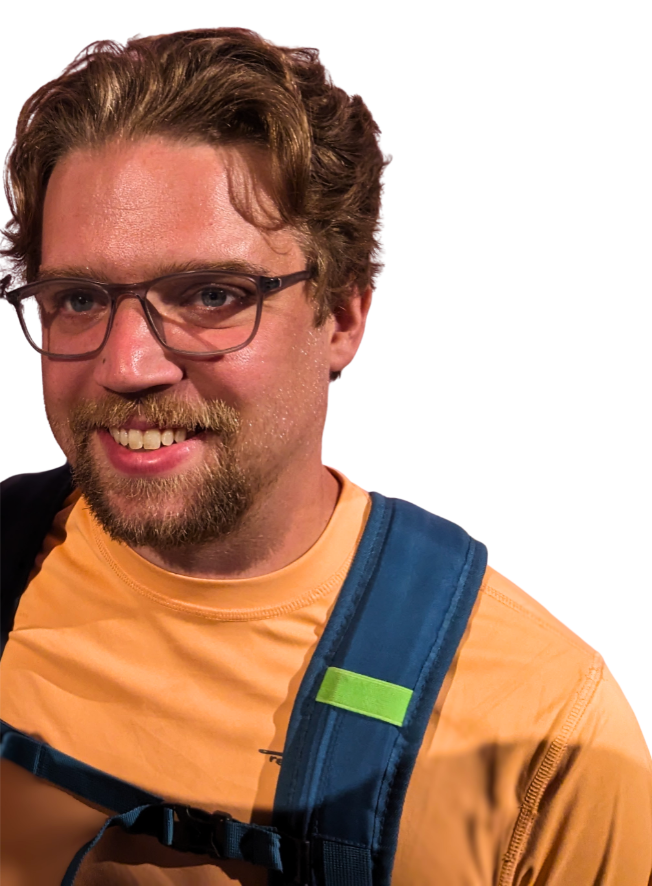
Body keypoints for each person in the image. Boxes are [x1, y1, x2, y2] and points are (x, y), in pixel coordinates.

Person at [0, 27, 649, 886]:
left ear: (343, 315)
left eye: (211, 296)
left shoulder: (546, 727)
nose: (128, 366)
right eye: (80, 298)